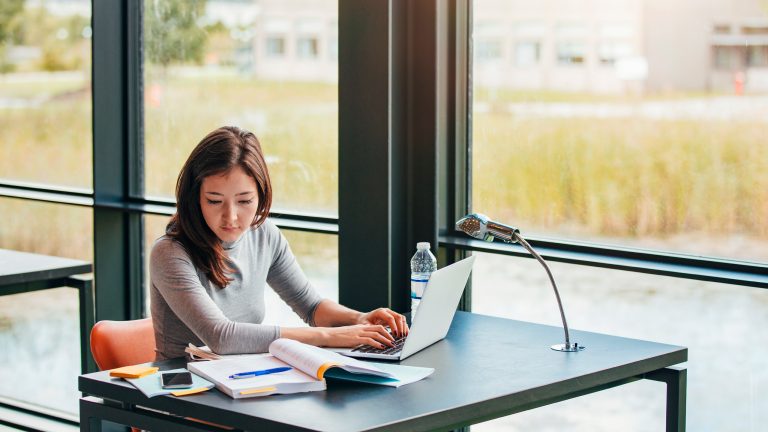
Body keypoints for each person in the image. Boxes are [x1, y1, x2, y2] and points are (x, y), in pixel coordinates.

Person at [150, 126, 408, 360]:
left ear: (261, 195)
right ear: (195, 198)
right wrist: (328, 337)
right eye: (215, 201)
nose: (231, 216)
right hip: (187, 395)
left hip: (244, 380)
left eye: (244, 201)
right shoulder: (170, 253)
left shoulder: (264, 235)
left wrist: (358, 319)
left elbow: (311, 306)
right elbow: (221, 337)